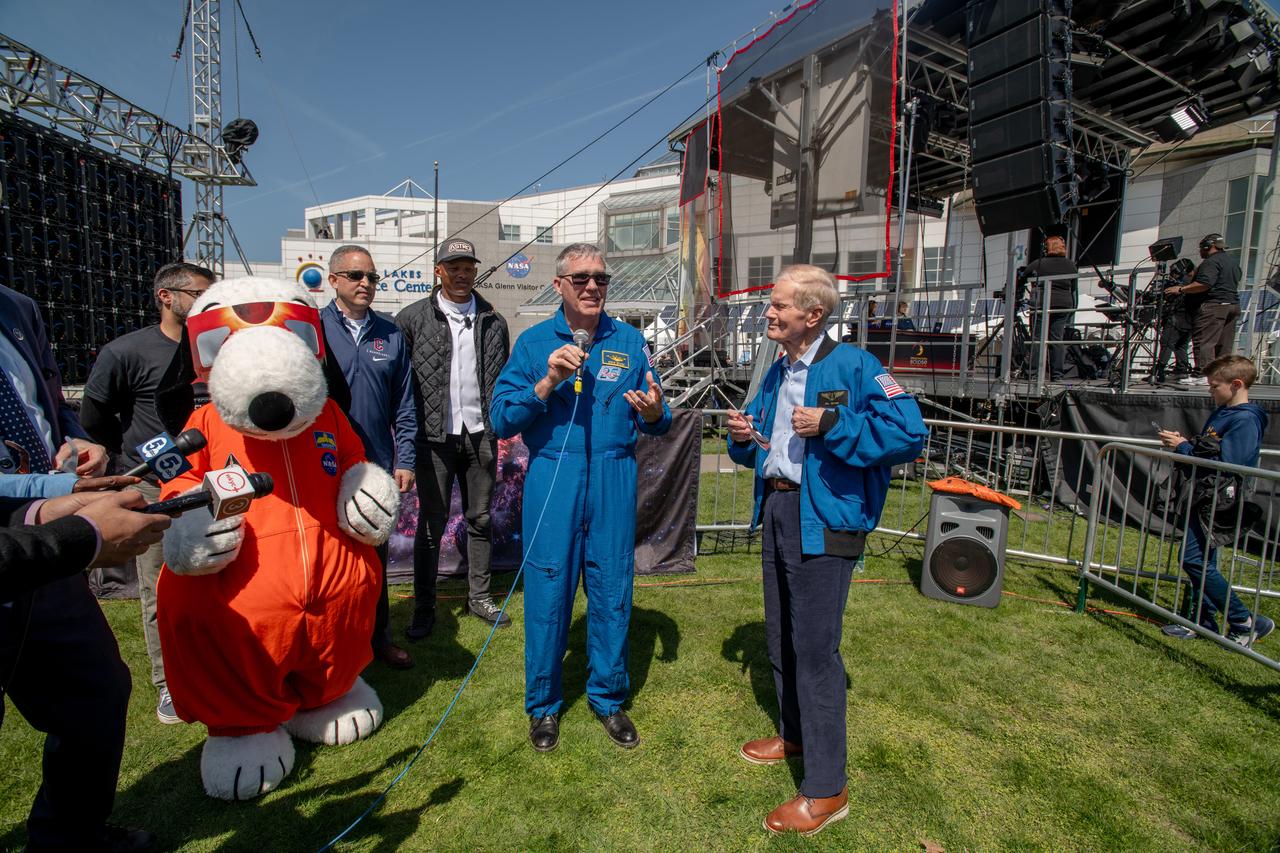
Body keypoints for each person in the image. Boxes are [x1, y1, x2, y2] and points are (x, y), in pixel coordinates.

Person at [725, 264, 927, 836]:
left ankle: (826, 789)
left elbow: (910, 435)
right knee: (781, 637)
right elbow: (768, 446)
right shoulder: (776, 368)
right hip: (780, 510)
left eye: (779, 305)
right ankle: (794, 736)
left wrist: (832, 421)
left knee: (815, 653)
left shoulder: (856, 365)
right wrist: (746, 439)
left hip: (829, 520)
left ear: (812, 315)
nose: (768, 312)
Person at [490, 242, 670, 753]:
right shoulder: (532, 343)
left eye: (601, 279)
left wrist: (656, 412)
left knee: (612, 588)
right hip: (555, 476)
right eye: (581, 278)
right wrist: (548, 380)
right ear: (559, 285)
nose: (592, 286)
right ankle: (544, 707)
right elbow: (503, 418)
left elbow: (658, 416)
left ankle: (608, 698)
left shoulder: (631, 342)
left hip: (614, 474)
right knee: (548, 591)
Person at [0, 282, 158, 852]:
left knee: (96, 692)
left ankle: (71, 836)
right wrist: (60, 493)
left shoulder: (17, 308)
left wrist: (77, 442)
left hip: (48, 558)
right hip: (29, 529)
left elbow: (46, 408)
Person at [80, 261, 214, 722]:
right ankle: (169, 685)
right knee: (161, 588)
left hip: (214, 483)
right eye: (198, 293)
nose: (205, 301)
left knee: (218, 582)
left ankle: (219, 669)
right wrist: (131, 466)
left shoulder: (214, 345)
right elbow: (94, 421)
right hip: (156, 488)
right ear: (167, 296)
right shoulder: (126, 351)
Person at [396, 237, 511, 636]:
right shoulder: (411, 318)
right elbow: (402, 386)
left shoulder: (495, 319)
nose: (462, 274)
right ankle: (425, 606)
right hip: (434, 437)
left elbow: (503, 379)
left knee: (480, 519)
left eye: (468, 267)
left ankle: (479, 597)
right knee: (432, 523)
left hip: (481, 434)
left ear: (475, 271)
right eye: (454, 267)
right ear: (438, 271)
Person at [320, 245, 418, 670]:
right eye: (356, 275)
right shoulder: (311, 328)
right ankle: (332, 645)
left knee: (372, 560)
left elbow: (405, 405)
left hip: (374, 464)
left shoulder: (391, 333)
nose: (366, 284)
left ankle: (379, 641)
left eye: (373, 277)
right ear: (334, 280)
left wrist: (406, 458)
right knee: (327, 560)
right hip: (322, 465)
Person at [1158, 355, 1273, 645]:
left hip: (1218, 500)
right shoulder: (1222, 412)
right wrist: (1185, 444)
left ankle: (1244, 621)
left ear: (1236, 385)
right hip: (1202, 493)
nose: (1210, 391)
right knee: (1201, 561)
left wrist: (1183, 447)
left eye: (1214, 386)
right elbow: (1207, 450)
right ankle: (1201, 620)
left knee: (1194, 560)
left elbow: (1227, 463)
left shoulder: (1246, 420)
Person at [1169, 233, 1241, 385]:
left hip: (1214, 306)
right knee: (1224, 344)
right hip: (1232, 306)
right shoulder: (1232, 262)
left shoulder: (1211, 262)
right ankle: (1221, 376)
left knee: (1204, 341)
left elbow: (1204, 284)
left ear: (1209, 246)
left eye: (1201, 247)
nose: (1200, 251)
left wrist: (1181, 289)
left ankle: (1203, 374)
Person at [1023, 234, 1077, 381]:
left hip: (1042, 304)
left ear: (1046, 248)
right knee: (1056, 339)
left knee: (1037, 339)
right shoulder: (1071, 265)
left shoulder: (1038, 263)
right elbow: (1073, 288)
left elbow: (1022, 276)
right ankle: (1057, 375)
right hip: (1063, 305)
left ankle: (1033, 374)